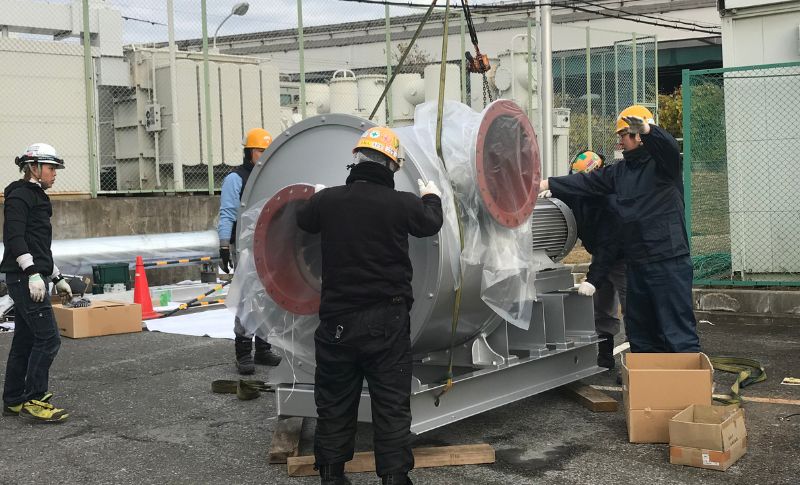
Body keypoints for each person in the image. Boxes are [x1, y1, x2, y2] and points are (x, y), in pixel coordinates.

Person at [296, 126, 443, 485]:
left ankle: (331, 475)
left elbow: (303, 219)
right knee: (390, 402)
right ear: (392, 166)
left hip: (337, 322)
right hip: (386, 321)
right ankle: (394, 478)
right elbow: (431, 222)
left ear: (356, 161)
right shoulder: (401, 203)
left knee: (334, 400)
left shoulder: (329, 201)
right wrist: (431, 196)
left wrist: (315, 196)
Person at [539, 106, 700, 354]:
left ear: (638, 135)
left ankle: (684, 375)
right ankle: (647, 373)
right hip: (637, 262)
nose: (620, 142)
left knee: (676, 328)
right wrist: (546, 184)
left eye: (623, 135)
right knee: (641, 330)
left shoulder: (664, 166)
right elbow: (586, 181)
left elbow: (668, 148)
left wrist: (649, 131)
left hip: (668, 260)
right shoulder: (621, 172)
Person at [2, 143, 73, 422]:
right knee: (49, 338)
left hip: (33, 275)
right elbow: (15, 238)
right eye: (50, 167)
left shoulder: (38, 196)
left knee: (25, 339)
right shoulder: (20, 196)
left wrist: (57, 276)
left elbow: (39, 245)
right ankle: (35, 399)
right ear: (34, 167)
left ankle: (13, 399)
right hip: (25, 277)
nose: (54, 173)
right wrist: (32, 273)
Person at [541, 150, 626, 368]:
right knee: (603, 306)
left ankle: (640, 362)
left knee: (633, 308)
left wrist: (593, 279)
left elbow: (609, 246)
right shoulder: (583, 194)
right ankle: (605, 354)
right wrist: (556, 192)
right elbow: (573, 194)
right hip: (602, 253)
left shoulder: (611, 205)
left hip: (624, 257)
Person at [218, 128, 282, 374]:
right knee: (247, 297)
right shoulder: (235, 179)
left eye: (267, 151)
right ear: (248, 152)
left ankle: (263, 349)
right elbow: (227, 213)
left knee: (269, 296)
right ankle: (243, 353)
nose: (263, 156)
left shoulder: (272, 176)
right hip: (245, 246)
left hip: (270, 245)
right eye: (259, 151)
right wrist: (224, 245)